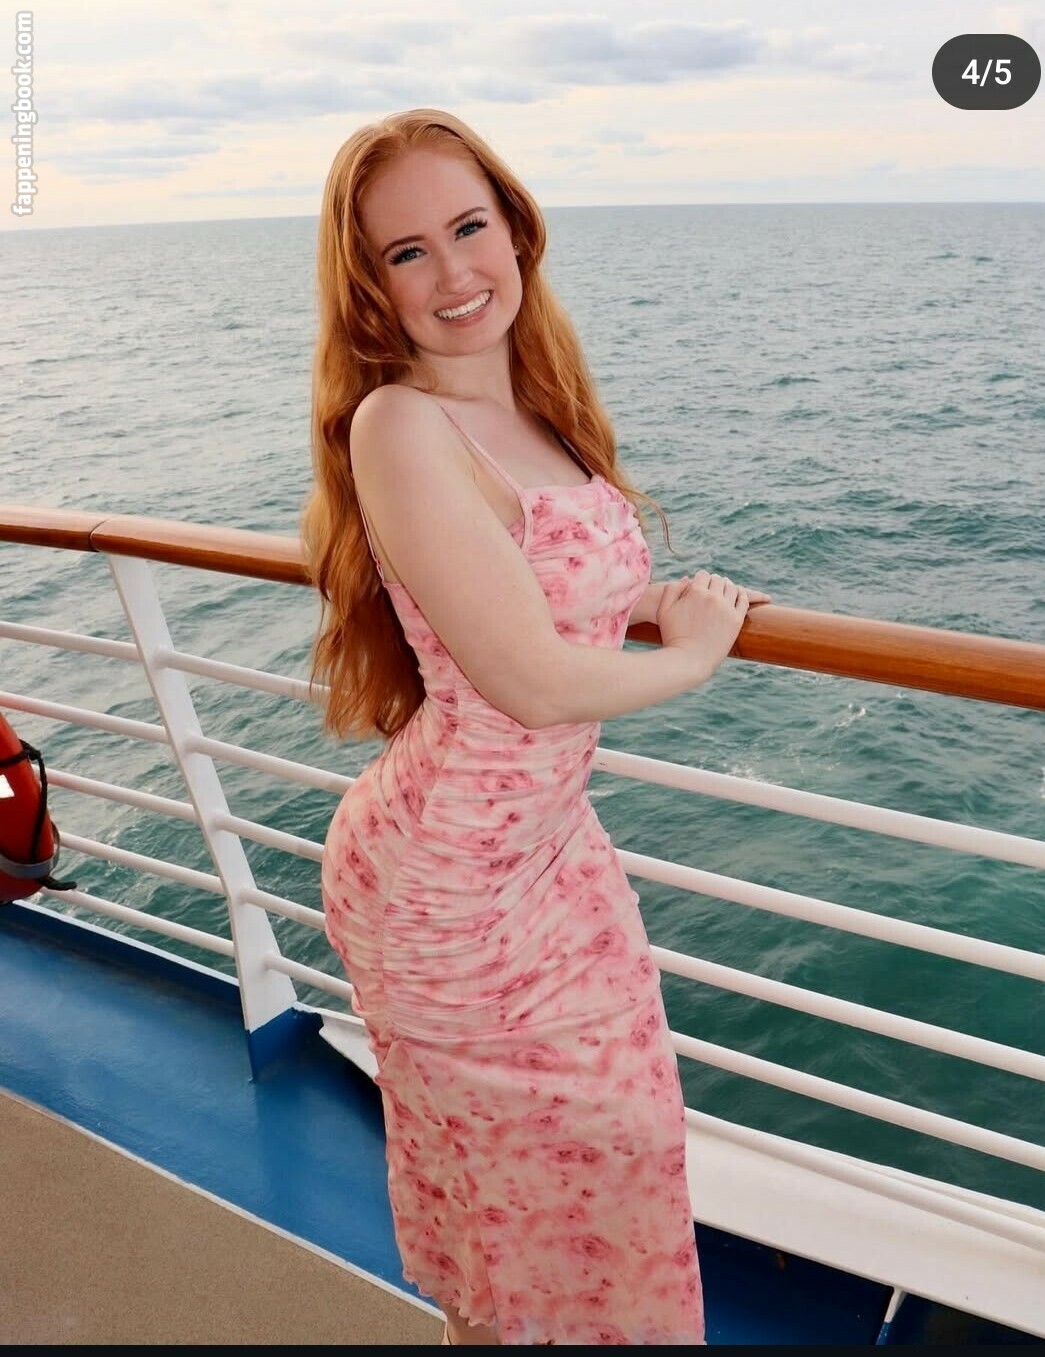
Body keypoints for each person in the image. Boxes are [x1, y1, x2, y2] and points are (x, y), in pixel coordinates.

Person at [302, 108, 770, 1347]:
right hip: (444, 888)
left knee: (615, 1159)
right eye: (407, 252)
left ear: (515, 228)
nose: (453, 272)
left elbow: (541, 594)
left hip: (550, 857)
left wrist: (648, 604)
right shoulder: (399, 423)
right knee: (528, 1208)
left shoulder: (534, 405)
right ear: (371, 284)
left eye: (468, 228)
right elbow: (533, 683)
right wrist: (693, 656)